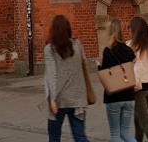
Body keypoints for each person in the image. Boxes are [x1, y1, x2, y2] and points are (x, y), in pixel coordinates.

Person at [43, 14, 90, 142]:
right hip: (78, 98)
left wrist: (52, 99)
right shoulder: (77, 45)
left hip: (58, 99)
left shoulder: (50, 49)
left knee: (54, 136)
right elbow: (83, 65)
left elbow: (51, 74)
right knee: (80, 136)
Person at [100, 19, 137, 142]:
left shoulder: (108, 51)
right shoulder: (128, 49)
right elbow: (133, 65)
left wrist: (99, 67)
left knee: (115, 134)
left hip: (114, 97)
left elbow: (106, 73)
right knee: (125, 133)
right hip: (129, 95)